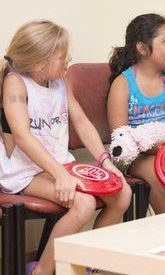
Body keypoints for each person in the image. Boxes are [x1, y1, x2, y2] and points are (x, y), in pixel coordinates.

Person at [0, 20, 132, 275]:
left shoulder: (60, 80)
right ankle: (42, 270)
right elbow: (23, 137)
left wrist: (105, 162)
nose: (69, 59)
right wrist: (61, 175)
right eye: (62, 56)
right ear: (39, 62)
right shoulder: (15, 84)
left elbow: (81, 122)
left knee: (122, 192)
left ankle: (93, 262)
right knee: (82, 204)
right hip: (24, 170)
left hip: (59, 163)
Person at [107, 13, 165, 213]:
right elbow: (121, 137)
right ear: (142, 48)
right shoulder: (123, 84)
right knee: (164, 177)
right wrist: (156, 149)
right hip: (139, 156)